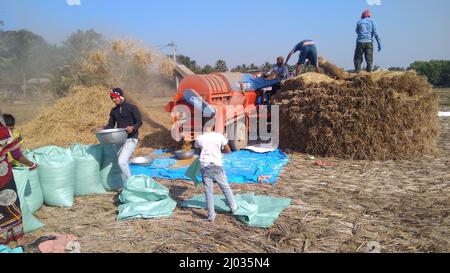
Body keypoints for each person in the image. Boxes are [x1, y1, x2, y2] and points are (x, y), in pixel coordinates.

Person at [0, 117, 37, 245]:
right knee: (10, 205)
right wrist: (31, 164)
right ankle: (16, 238)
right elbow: (16, 155)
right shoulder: (3, 132)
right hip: (3, 178)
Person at [194, 115, 238, 222]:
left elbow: (198, 151)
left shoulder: (199, 138)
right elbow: (228, 150)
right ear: (213, 125)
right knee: (225, 188)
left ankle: (211, 216)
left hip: (205, 167)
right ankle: (234, 209)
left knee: (208, 192)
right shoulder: (219, 136)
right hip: (217, 166)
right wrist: (219, 151)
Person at [96, 88, 143, 181]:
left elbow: (139, 122)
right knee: (120, 162)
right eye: (112, 98)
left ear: (120, 96)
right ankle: (124, 184)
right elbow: (110, 125)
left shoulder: (132, 107)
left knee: (121, 162)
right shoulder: (114, 111)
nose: (113, 100)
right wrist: (102, 128)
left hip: (131, 138)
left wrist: (133, 127)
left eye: (115, 98)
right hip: (119, 140)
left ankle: (130, 184)